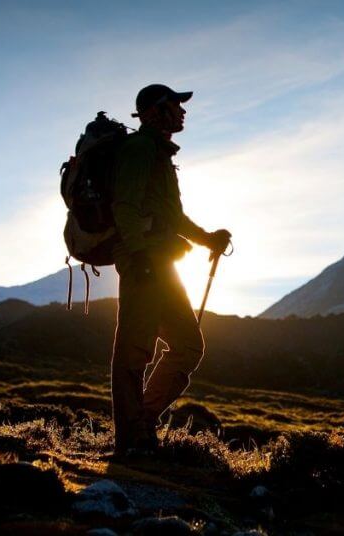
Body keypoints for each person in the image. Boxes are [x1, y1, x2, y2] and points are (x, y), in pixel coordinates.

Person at [109, 84, 231, 456]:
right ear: (152, 111)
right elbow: (124, 206)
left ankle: (141, 426)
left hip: (160, 263)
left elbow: (171, 216)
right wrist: (140, 255)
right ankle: (132, 442)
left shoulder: (159, 154)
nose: (181, 112)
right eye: (174, 105)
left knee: (187, 346)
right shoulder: (140, 150)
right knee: (135, 351)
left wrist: (207, 239)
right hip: (145, 263)